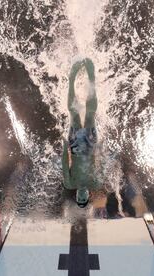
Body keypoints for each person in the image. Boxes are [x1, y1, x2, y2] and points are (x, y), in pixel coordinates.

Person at [62, 58, 101, 208]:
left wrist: (65, 147)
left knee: (73, 112)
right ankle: (91, 77)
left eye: (79, 198)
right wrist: (101, 148)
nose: (81, 196)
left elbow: (65, 164)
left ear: (76, 196)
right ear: (88, 196)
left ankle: (71, 78)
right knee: (91, 113)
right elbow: (101, 165)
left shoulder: (69, 183)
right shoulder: (95, 183)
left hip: (76, 147)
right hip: (90, 147)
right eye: (84, 199)